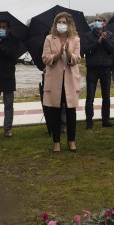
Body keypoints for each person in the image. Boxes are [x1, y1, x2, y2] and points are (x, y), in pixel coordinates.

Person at [42, 12, 81, 153]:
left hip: (70, 79)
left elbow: (77, 59)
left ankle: (71, 141)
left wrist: (69, 53)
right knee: (55, 112)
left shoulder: (75, 39)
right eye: (59, 22)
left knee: (71, 112)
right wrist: (59, 53)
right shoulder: (49, 38)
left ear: (69, 24)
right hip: (55, 80)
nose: (61, 25)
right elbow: (45, 58)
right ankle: (56, 142)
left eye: (64, 22)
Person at [82, 15, 114, 129]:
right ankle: (89, 122)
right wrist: (98, 41)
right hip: (92, 68)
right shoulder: (87, 35)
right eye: (95, 21)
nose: (97, 22)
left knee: (106, 97)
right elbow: (86, 50)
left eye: (99, 21)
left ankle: (105, 120)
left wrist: (104, 41)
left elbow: (112, 50)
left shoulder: (110, 35)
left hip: (106, 68)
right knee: (90, 96)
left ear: (104, 23)